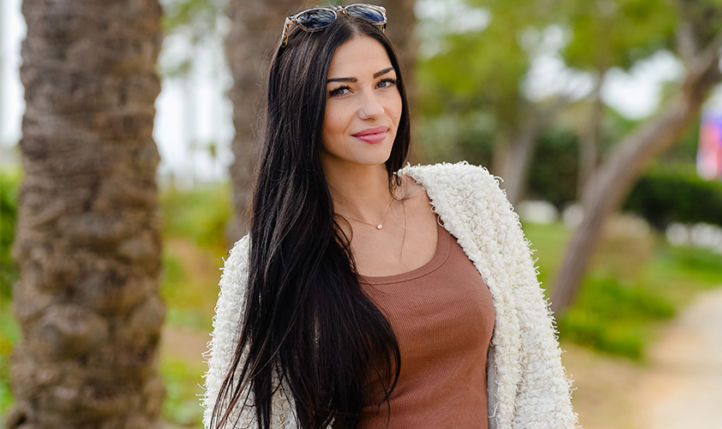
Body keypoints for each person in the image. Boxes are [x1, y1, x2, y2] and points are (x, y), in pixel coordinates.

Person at [200, 5, 577, 428]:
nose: (374, 109)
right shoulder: (267, 260)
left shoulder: (473, 199)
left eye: (385, 83)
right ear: (300, 109)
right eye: (341, 91)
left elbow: (539, 378)